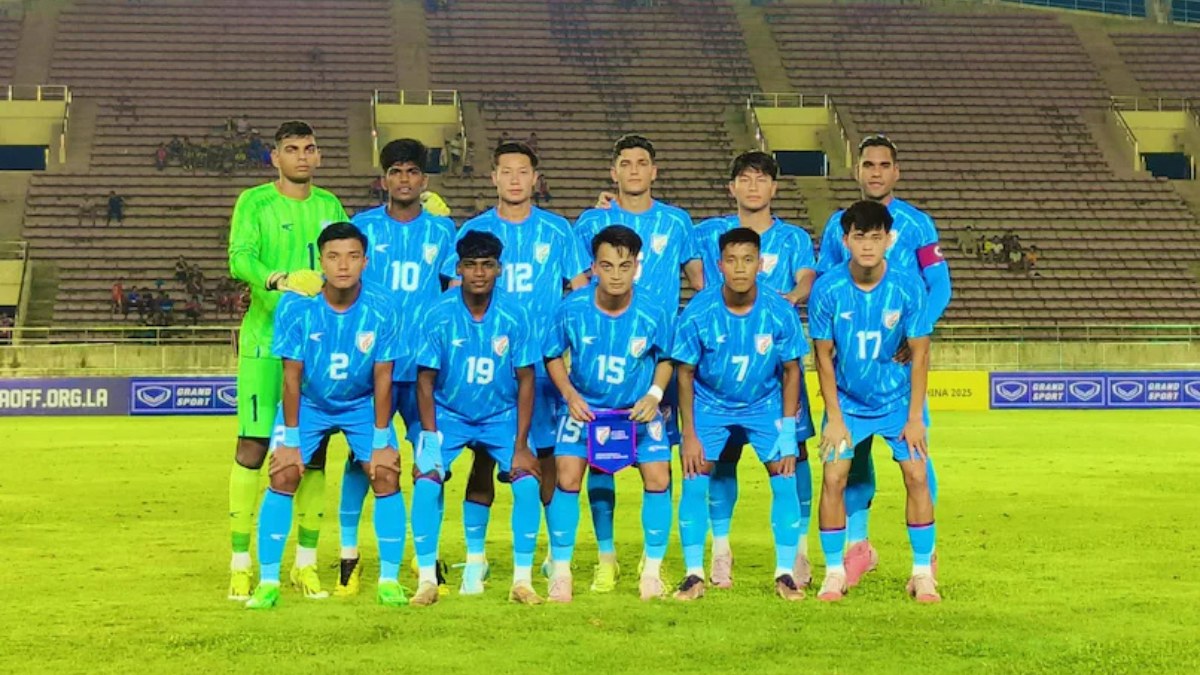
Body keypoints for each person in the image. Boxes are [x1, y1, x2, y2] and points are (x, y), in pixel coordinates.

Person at [440, 141, 590, 589]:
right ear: (494, 178)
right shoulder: (476, 229)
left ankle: (548, 553)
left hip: (540, 368)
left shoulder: (558, 230)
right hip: (482, 366)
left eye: (523, 172)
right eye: (506, 171)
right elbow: (453, 293)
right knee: (483, 461)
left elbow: (580, 288)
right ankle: (476, 557)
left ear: (534, 178)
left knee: (541, 460)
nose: (515, 180)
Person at [244, 222, 407, 609]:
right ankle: (267, 582)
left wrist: (383, 439)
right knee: (283, 471)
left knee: (386, 472)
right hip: (310, 403)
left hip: (361, 403)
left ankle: (389, 580)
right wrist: (292, 441)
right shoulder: (297, 305)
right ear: (321, 262)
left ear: (365, 261)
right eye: (333, 257)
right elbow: (291, 376)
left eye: (352, 256)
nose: (343, 266)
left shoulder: (384, 306)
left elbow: (384, 377)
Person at [814, 134, 950, 588]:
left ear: (896, 172)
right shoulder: (839, 224)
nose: (875, 172)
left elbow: (941, 287)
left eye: (883, 165)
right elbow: (831, 284)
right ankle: (857, 546)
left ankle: (924, 559)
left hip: (897, 367)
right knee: (854, 463)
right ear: (858, 171)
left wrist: (914, 338)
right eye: (867, 164)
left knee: (916, 460)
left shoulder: (919, 224)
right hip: (854, 368)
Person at [571, 134, 704, 591]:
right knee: (598, 463)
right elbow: (575, 286)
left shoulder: (677, 221)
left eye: (641, 162)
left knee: (656, 468)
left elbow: (700, 286)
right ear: (613, 171)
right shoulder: (592, 220)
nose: (633, 170)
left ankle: (654, 563)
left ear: (654, 171)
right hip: (598, 362)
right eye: (624, 163)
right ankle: (606, 557)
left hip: (653, 365)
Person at [226, 120, 348, 601]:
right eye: (291, 149)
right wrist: (277, 279)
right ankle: (240, 564)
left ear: (318, 157)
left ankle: (305, 564)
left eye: (310, 148)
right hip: (265, 343)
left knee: (313, 454)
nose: (302, 156)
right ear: (274, 157)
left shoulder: (330, 206)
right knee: (253, 449)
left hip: (316, 348)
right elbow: (239, 258)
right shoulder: (253, 202)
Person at [335, 139, 457, 597]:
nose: (404, 179)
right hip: (374, 368)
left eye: (412, 172)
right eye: (396, 171)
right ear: (383, 179)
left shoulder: (444, 232)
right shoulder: (360, 228)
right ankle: (350, 556)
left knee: (432, 461)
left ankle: (430, 555)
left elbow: (453, 296)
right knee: (361, 461)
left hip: (426, 368)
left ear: (424, 181)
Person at [693, 151, 818, 588]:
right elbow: (683, 267)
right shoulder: (710, 233)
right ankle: (720, 550)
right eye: (744, 179)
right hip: (721, 361)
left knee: (793, 454)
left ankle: (798, 551)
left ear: (774, 188)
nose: (752, 186)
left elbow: (806, 279)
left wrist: (792, 297)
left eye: (761, 179)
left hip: (775, 362)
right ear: (732, 188)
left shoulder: (793, 237)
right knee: (719, 460)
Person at [672, 227, 808, 601]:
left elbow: (793, 369)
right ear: (719, 266)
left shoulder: (779, 310)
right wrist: (689, 434)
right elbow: (684, 371)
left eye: (748, 260)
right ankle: (694, 574)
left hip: (764, 405)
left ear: (760, 264)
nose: (740, 269)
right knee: (695, 480)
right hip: (709, 406)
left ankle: (785, 572)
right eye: (731, 260)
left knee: (784, 478)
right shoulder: (699, 310)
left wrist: (785, 430)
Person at [410, 230, 544, 606]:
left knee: (527, 484)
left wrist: (520, 445)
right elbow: (425, 381)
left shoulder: (516, 314)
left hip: (501, 416)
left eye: (487, 265)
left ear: (500, 269)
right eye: (471, 265)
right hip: (448, 415)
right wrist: (431, 440)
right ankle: (426, 581)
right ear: (459, 268)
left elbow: (527, 379)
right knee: (425, 481)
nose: (479, 273)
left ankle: (522, 581)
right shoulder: (438, 313)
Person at [544, 225, 674, 602]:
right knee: (567, 479)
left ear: (637, 267)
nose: (616, 275)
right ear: (593, 267)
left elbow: (666, 358)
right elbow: (552, 354)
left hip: (636, 412)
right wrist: (569, 394)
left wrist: (654, 393)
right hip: (587, 411)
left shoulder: (654, 311)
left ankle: (651, 572)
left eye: (624, 265)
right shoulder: (571, 308)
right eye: (607, 265)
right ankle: (566, 572)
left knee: (658, 478)